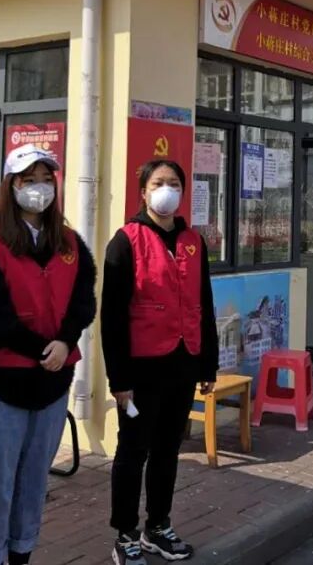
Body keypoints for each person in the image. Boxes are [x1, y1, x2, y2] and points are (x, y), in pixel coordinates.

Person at [0, 144, 97, 565]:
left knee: (35, 478)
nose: (39, 187)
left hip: (52, 381)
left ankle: (21, 553)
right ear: (11, 185)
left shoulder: (70, 242)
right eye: (28, 179)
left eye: (45, 179)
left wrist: (66, 341)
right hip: (1, 378)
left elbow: (83, 301)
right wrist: (40, 349)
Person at [102, 160, 219, 564]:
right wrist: (119, 379)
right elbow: (112, 317)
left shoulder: (193, 241)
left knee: (168, 450)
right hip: (141, 370)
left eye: (173, 183)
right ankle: (125, 534)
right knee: (132, 452)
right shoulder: (125, 241)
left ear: (183, 192)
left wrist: (207, 366)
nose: (166, 189)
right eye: (158, 183)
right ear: (143, 192)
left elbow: (204, 304)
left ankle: (157, 526)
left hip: (183, 364)